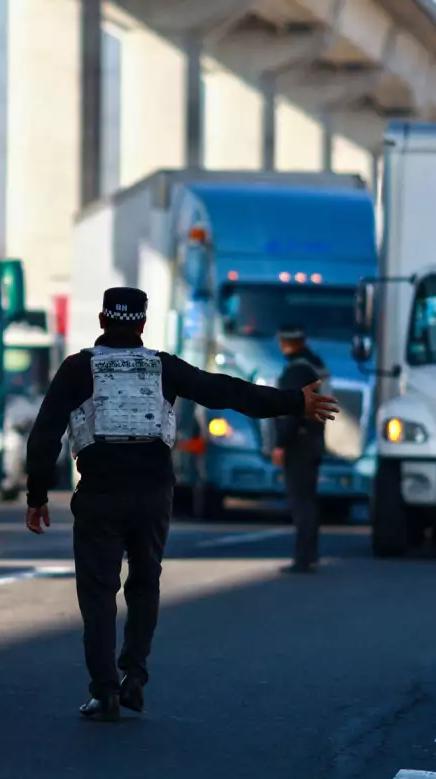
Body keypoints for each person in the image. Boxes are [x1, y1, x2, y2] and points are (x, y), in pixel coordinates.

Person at [24, 287, 338, 723]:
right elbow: (227, 392)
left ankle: (105, 691)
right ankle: (134, 675)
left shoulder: (78, 368)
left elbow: (44, 436)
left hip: (100, 492)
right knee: (145, 582)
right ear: (142, 324)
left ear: (101, 320)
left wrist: (37, 495)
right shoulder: (163, 367)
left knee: (98, 594)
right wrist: (294, 402)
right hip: (153, 492)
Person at [271, 323, 330, 575]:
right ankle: (311, 554)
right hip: (314, 438)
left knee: (300, 502)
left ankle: (303, 558)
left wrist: (280, 443)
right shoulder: (316, 365)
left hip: (299, 441)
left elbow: (290, 411)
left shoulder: (296, 371)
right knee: (309, 499)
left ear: (284, 342)